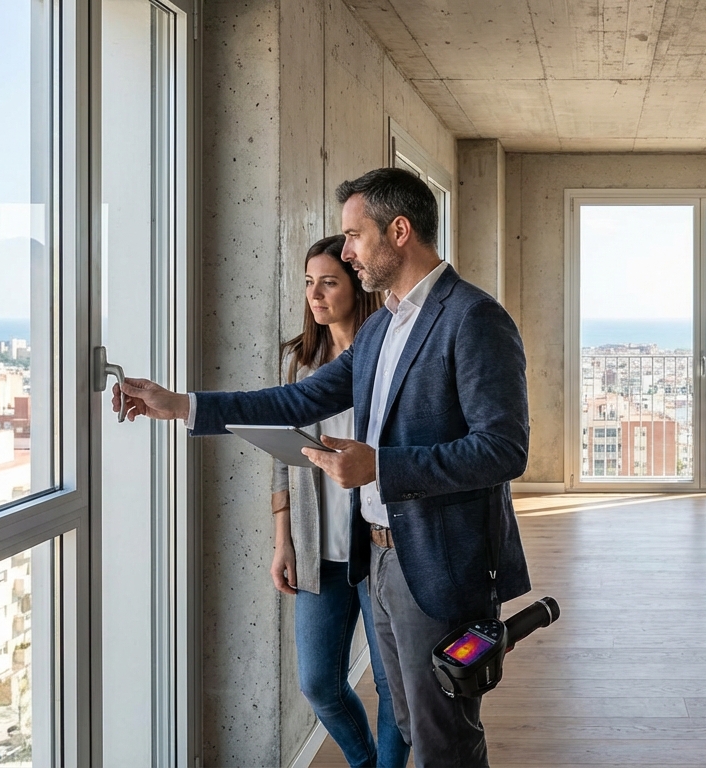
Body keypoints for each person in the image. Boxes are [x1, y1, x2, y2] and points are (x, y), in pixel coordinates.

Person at [113, 167, 530, 768]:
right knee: (412, 720)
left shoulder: (472, 318)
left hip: (440, 564)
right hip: (381, 559)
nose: (349, 250)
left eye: (355, 236)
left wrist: (380, 467)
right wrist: (182, 405)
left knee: (446, 737)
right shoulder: (384, 324)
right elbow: (298, 401)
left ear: (400, 231)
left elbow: (503, 449)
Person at [273, 234, 407, 768]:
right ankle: (365, 762)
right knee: (318, 684)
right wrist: (283, 541)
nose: (316, 294)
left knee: (393, 688)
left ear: (356, 285)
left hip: (378, 546)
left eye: (329, 282)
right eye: (309, 282)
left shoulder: (389, 355)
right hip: (315, 545)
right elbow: (283, 457)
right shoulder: (299, 363)